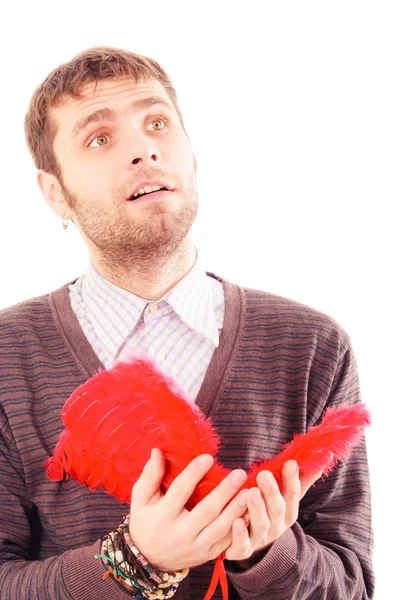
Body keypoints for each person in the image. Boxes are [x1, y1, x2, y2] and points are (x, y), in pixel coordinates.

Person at [0, 46, 374, 599]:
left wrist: (269, 553)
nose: (144, 151)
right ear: (56, 194)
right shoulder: (7, 355)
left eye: (157, 124)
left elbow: (353, 585)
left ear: (192, 156)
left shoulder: (314, 347)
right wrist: (134, 560)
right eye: (99, 139)